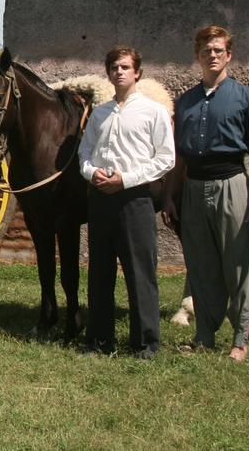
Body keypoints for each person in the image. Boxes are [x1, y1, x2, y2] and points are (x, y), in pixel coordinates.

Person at [162, 26, 249, 362]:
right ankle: (204, 335)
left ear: (229, 55)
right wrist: (170, 195)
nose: (212, 55)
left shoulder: (246, 98)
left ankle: (240, 338)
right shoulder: (186, 101)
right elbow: (179, 157)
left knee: (239, 263)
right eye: (206, 50)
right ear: (197, 56)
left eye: (218, 50)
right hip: (194, 188)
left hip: (231, 184)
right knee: (201, 264)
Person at [78, 46, 175, 359]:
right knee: (99, 272)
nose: (119, 72)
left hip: (135, 199)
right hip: (101, 199)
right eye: (114, 68)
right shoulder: (100, 114)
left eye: (124, 67)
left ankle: (145, 343)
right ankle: (99, 340)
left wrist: (127, 179)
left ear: (137, 73)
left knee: (139, 272)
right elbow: (84, 152)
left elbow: (166, 158)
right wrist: (91, 173)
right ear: (108, 74)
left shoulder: (153, 112)